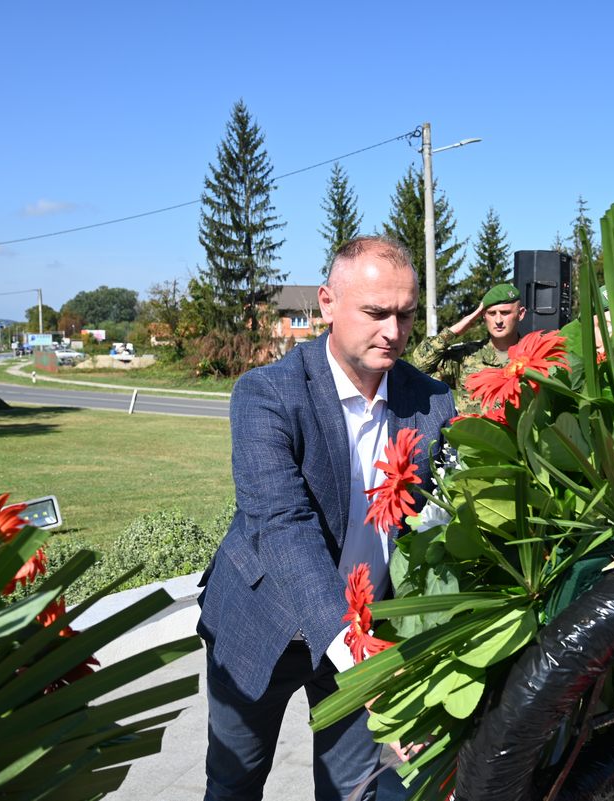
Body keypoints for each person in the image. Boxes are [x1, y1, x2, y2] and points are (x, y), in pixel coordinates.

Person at [196, 236, 456, 801]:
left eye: (406, 314)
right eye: (375, 312)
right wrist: (354, 647)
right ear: (327, 304)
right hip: (262, 622)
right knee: (234, 784)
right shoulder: (266, 395)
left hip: (368, 634)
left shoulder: (433, 402)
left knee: (353, 791)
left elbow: (442, 529)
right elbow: (282, 523)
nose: (394, 330)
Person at [410, 283, 524, 414]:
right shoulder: (467, 356)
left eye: (505, 313)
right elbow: (419, 367)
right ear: (483, 316)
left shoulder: (534, 354)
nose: (498, 320)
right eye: (492, 313)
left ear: (520, 314)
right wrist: (457, 329)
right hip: (473, 434)